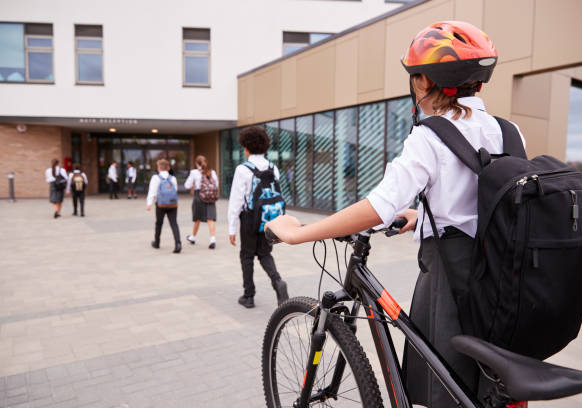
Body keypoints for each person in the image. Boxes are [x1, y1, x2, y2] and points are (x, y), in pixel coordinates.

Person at [265, 21, 525, 408]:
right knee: (483, 385)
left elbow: (377, 208)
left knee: (445, 388)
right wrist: (422, 217)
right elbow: (491, 200)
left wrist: (297, 233)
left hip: (451, 282)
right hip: (503, 280)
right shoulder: (509, 132)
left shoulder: (430, 135)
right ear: (479, 84)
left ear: (422, 82)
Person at [228, 126, 289, 309]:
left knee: (247, 256)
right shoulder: (273, 167)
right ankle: (278, 282)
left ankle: (249, 295)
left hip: (249, 219)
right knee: (264, 253)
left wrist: (231, 228)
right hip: (268, 219)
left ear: (246, 147)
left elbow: (236, 201)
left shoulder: (243, 169)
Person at [146, 158, 182, 253]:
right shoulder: (173, 178)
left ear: (158, 168)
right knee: (174, 223)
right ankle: (178, 243)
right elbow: (175, 190)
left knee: (159, 223)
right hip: (173, 204)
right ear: (168, 168)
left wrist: (149, 204)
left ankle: (157, 242)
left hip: (161, 205)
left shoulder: (156, 178)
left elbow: (152, 192)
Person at [185, 155, 218, 249]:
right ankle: (212, 239)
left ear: (196, 163)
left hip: (199, 196)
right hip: (210, 197)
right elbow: (217, 184)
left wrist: (194, 184)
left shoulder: (194, 172)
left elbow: (187, 185)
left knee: (197, 218)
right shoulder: (212, 172)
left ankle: (193, 237)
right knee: (210, 219)